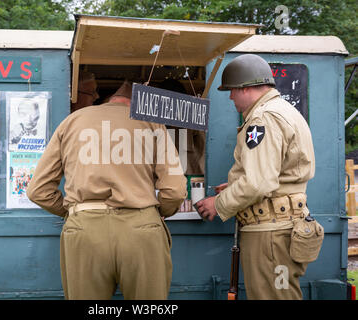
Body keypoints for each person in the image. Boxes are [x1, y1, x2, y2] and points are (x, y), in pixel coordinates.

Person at [27, 81, 187, 300]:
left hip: (84, 230)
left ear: (109, 99)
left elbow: (38, 190)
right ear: (140, 103)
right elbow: (175, 191)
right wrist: (159, 212)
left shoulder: (71, 122)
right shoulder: (152, 125)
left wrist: (74, 211)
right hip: (141, 229)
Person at [194, 54, 316, 300]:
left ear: (246, 88)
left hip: (270, 234)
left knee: (273, 296)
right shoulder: (284, 111)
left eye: (232, 91)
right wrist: (234, 186)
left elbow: (259, 182)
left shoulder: (263, 118)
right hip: (281, 229)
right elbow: (277, 173)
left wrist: (218, 204)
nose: (230, 97)